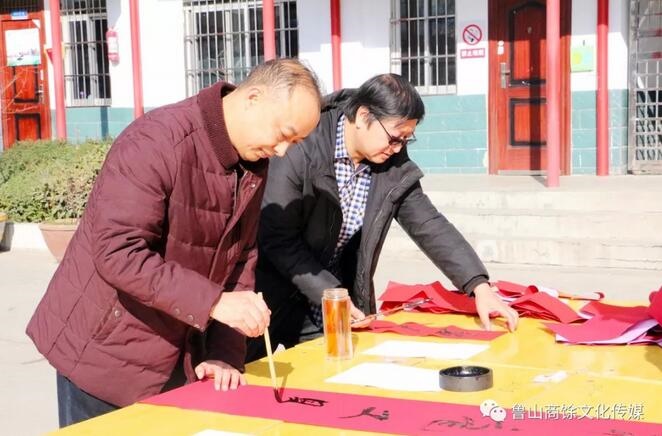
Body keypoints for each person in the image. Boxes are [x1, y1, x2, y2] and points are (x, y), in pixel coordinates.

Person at [26, 58, 322, 427]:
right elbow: (118, 252)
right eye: (283, 134)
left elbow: (241, 259)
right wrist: (214, 303)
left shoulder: (251, 161)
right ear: (254, 99)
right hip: (104, 351)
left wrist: (224, 353)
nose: (282, 152)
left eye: (294, 143)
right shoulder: (157, 140)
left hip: (178, 350)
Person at [247, 74, 519, 361]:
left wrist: (478, 286)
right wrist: (330, 291)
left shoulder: (390, 163)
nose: (397, 148)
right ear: (363, 116)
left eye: (406, 140)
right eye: (393, 138)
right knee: (248, 376)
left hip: (331, 302)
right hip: (270, 294)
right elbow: (277, 238)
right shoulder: (303, 144)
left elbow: (428, 223)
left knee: (333, 374)